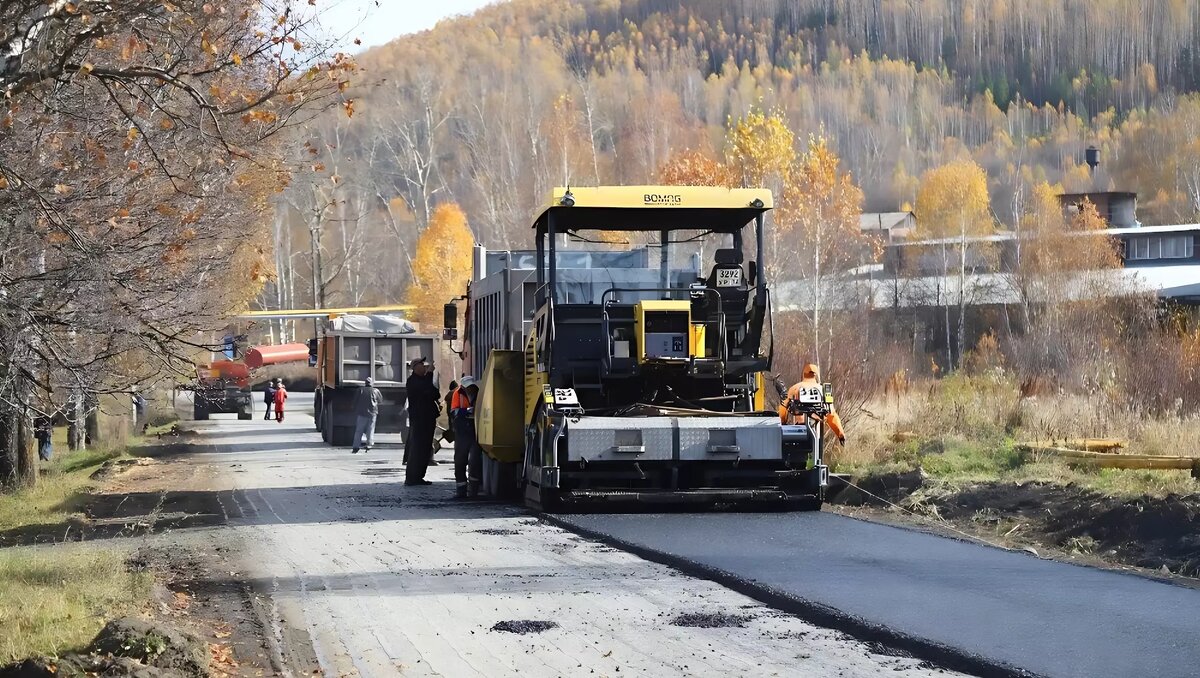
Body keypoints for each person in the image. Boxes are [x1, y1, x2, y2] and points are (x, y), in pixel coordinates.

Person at [779, 363, 845, 444]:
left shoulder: (795, 388)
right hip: (817, 432)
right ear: (815, 375)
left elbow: (783, 407)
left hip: (799, 432)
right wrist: (840, 434)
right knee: (817, 450)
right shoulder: (822, 390)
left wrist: (783, 422)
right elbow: (832, 415)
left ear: (803, 374)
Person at [403, 357, 440, 486]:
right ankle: (412, 478)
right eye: (422, 365)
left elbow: (436, 394)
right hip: (420, 420)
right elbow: (426, 391)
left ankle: (419, 476)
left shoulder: (423, 381)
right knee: (418, 448)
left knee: (425, 449)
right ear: (415, 367)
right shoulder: (413, 381)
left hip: (427, 419)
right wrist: (430, 374)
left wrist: (429, 377)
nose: (424, 367)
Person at [450, 376, 483, 498]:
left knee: (475, 461)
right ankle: (461, 490)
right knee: (460, 460)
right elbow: (454, 411)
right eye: (468, 387)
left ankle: (474, 490)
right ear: (463, 387)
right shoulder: (457, 394)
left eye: (471, 387)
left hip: (474, 431)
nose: (470, 389)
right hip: (461, 431)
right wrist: (468, 411)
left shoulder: (478, 393)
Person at [351, 376, 382, 454]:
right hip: (373, 413)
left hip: (361, 413)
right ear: (372, 383)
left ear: (365, 383)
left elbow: (355, 401)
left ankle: (355, 446)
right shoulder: (376, 390)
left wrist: (354, 409)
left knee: (359, 430)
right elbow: (380, 400)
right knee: (370, 429)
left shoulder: (360, 390)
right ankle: (369, 445)